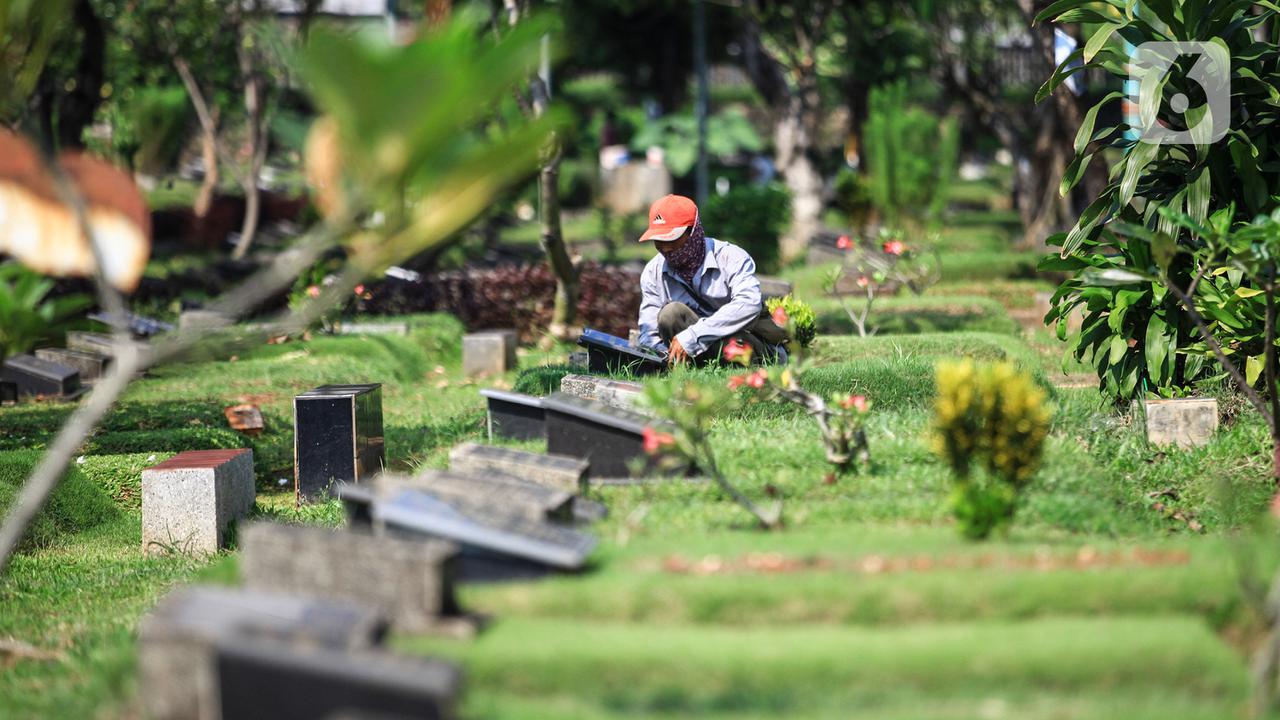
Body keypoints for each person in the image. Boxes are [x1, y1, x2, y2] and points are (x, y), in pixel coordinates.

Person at [636, 194, 787, 366]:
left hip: (745, 342)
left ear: (694, 232)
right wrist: (658, 358)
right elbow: (649, 332)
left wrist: (693, 336)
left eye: (670, 238)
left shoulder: (731, 257)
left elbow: (749, 304)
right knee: (671, 314)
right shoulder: (652, 272)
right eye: (658, 240)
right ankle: (691, 368)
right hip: (695, 351)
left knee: (735, 341)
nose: (665, 247)